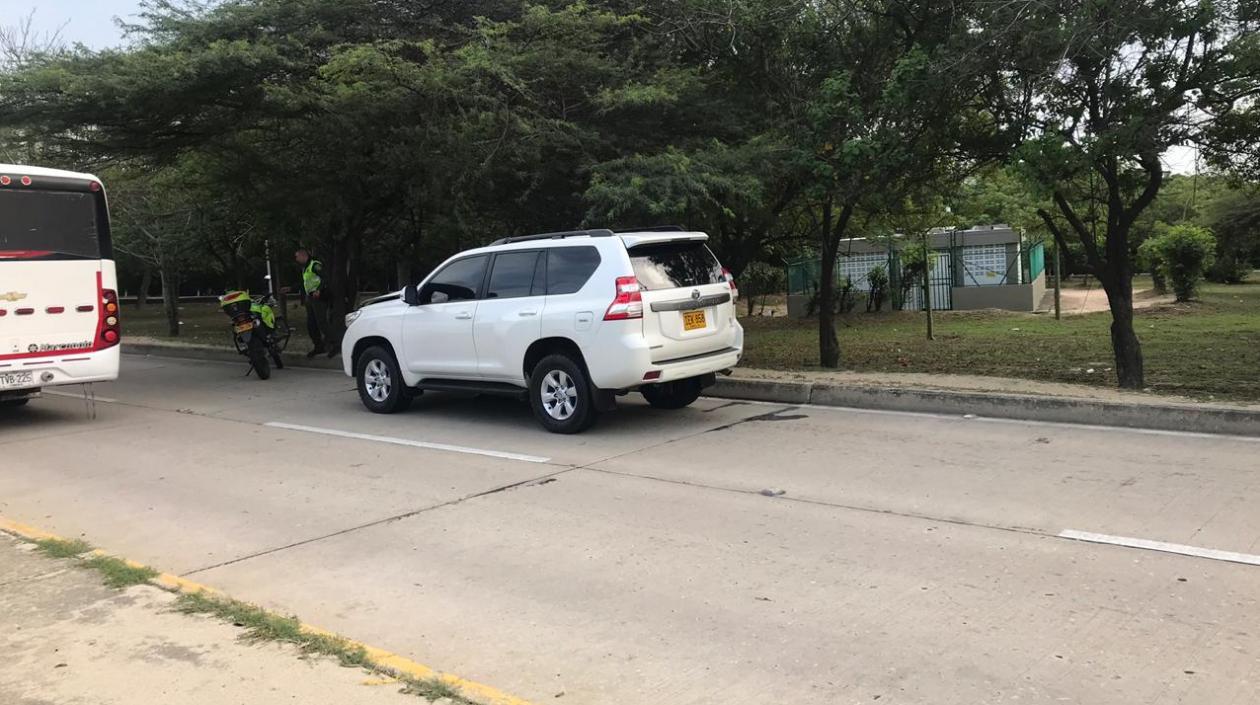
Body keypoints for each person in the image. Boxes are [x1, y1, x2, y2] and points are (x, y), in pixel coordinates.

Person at [294, 248, 337, 358]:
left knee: (322, 323)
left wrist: (319, 290)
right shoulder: (305, 268)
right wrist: (290, 288)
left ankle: (335, 344)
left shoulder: (314, 265)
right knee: (311, 325)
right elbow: (304, 283)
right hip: (310, 298)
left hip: (319, 297)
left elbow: (325, 278)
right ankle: (319, 346)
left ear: (303, 256)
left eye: (297, 257)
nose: (296, 259)